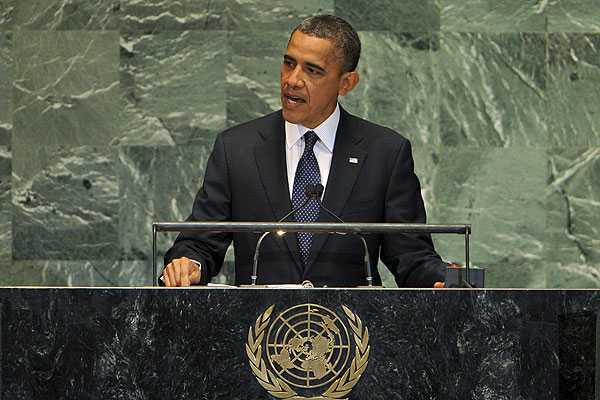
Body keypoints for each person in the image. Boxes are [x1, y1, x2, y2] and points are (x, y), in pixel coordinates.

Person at [162, 15, 447, 288]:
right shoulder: (237, 148)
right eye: (289, 63)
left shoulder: (385, 153)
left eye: (312, 70)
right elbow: (199, 242)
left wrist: (445, 279)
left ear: (346, 83)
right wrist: (189, 263)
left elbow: (411, 254)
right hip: (259, 330)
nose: (292, 80)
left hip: (350, 332)